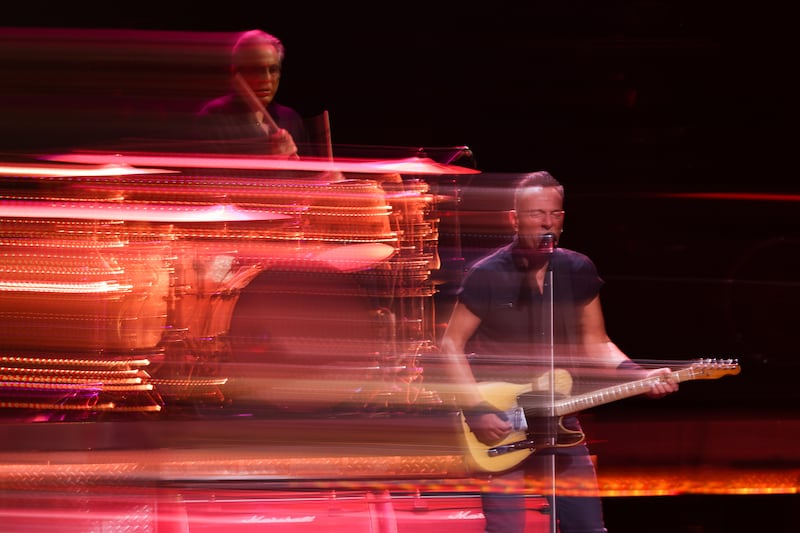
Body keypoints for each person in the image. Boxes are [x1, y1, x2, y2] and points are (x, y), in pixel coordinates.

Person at [438, 171, 679, 533]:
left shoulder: (577, 269)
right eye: (536, 214)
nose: (547, 222)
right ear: (514, 219)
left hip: (558, 418)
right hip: (503, 421)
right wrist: (476, 410)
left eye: (554, 213)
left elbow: (596, 342)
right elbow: (450, 345)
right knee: (506, 528)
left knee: (587, 526)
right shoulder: (487, 274)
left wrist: (639, 375)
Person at [195, 29, 310, 157]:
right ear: (236, 73)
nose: (266, 79)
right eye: (257, 70)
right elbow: (209, 175)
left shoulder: (290, 118)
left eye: (273, 70)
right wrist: (269, 159)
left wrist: (324, 175)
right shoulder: (212, 118)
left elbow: (307, 173)